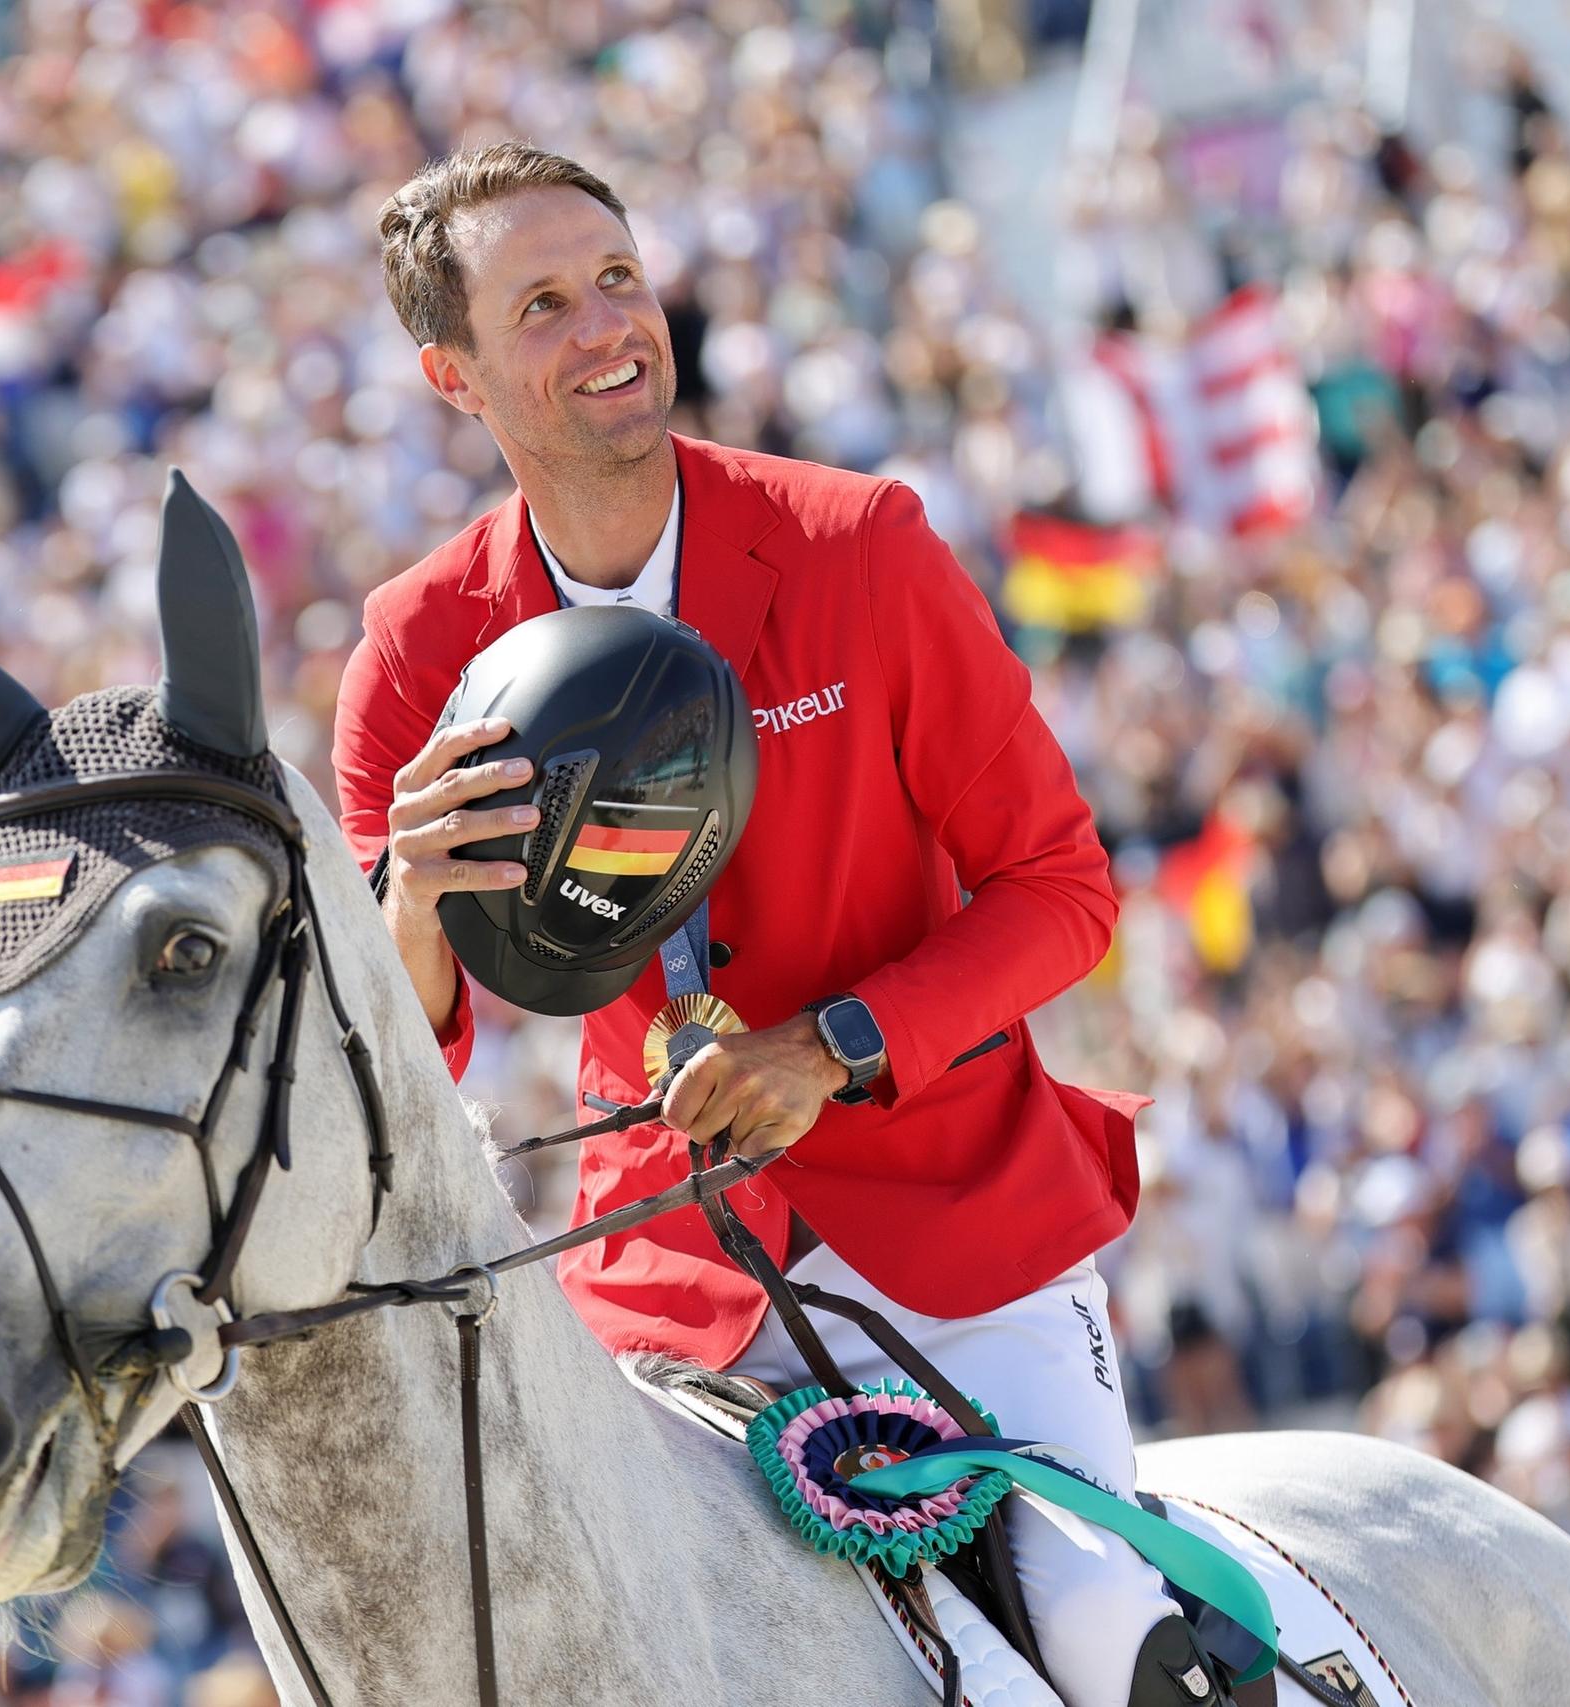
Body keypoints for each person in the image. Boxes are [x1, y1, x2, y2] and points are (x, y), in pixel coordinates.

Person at [330, 142, 1179, 1705]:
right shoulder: (409, 655)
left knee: (1117, 1641)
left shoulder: (862, 543)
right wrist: (411, 903)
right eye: (542, 307)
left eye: (617, 279)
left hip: (960, 1242)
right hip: (670, 1294)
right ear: (454, 376)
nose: (607, 326)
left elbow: (1064, 892)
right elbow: (397, 1068)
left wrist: (838, 1045)